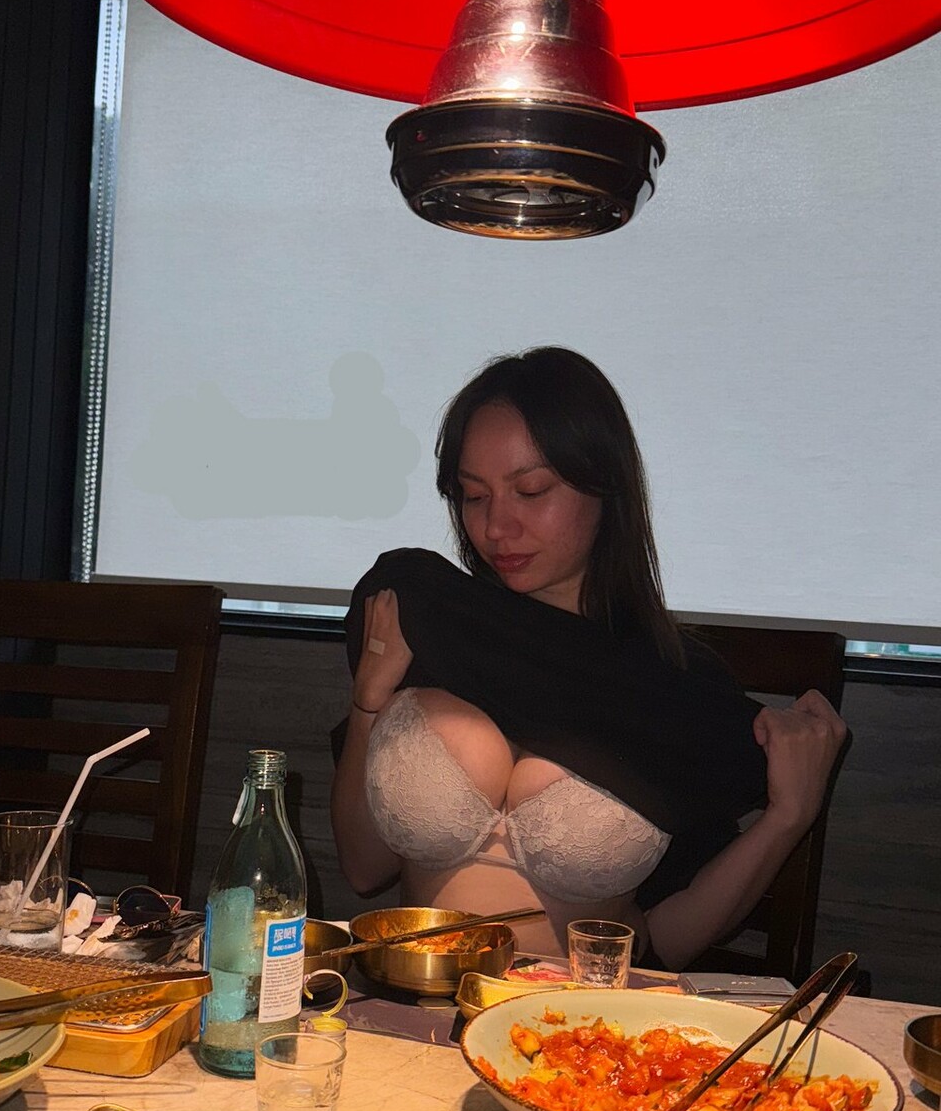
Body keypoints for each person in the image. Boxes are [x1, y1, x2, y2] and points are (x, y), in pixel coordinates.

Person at [330, 347, 848, 971]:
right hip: (417, 995)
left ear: (606, 485)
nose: (496, 527)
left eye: (531, 490)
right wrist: (368, 704)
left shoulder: (672, 691)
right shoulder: (429, 625)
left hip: (575, 1020)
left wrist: (790, 815)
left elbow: (664, 942)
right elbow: (365, 871)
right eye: (473, 496)